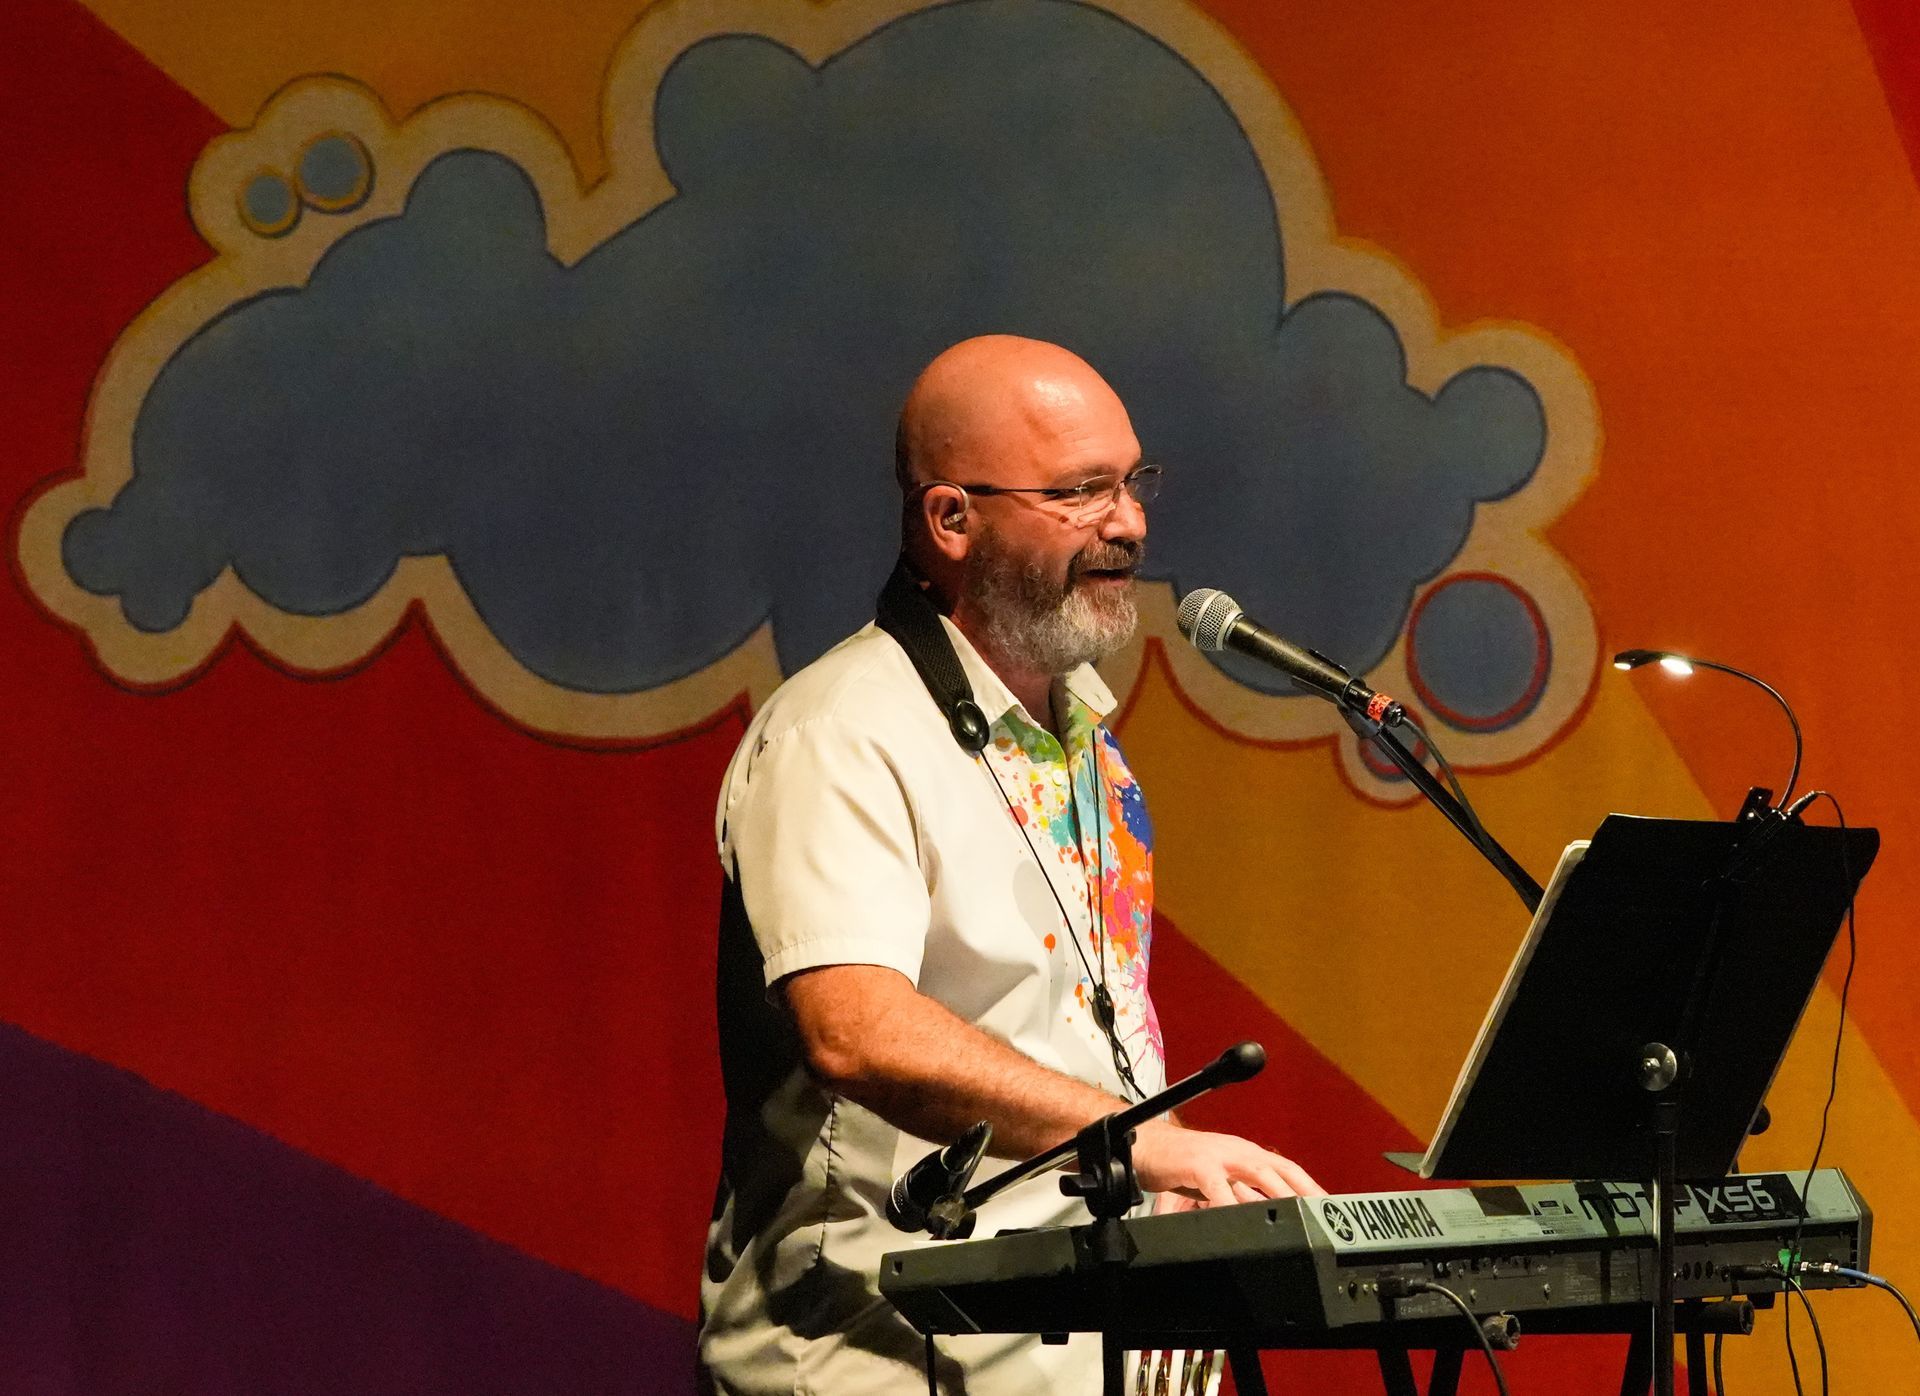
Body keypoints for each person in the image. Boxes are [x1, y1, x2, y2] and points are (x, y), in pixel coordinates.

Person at [700, 336, 1321, 1395]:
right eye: (1081, 491)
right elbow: (855, 1031)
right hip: (880, 1360)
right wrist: (1144, 1147)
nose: (1127, 521)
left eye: (1133, 482)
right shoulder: (841, 733)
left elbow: (1071, 1036)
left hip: (1068, 1352)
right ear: (951, 520)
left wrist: (1163, 1184)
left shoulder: (1084, 739)